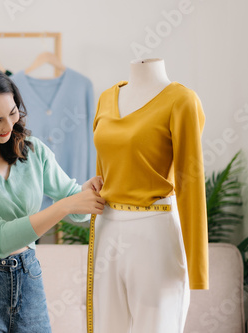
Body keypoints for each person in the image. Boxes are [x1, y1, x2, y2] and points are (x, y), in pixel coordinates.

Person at [0, 65, 105, 333]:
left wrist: (85, 193)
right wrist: (66, 205)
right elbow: (0, 239)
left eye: (12, 112)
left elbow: (78, 211)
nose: (9, 125)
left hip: (28, 276)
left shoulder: (33, 151)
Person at [91, 58, 209, 333]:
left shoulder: (182, 100)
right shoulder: (106, 98)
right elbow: (103, 170)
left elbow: (191, 183)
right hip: (106, 228)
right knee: (106, 326)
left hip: (154, 230)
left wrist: (198, 268)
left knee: (156, 326)